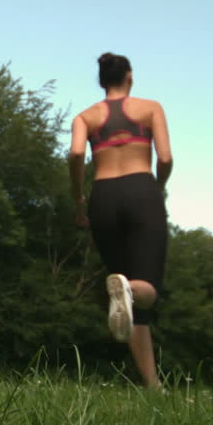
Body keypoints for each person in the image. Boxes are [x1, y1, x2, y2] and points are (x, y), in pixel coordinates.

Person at [68, 53, 172, 389]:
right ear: (129, 76)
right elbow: (166, 157)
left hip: (103, 196)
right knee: (148, 291)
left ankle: (152, 385)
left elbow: (74, 154)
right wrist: (158, 187)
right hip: (142, 189)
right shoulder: (150, 107)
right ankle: (127, 288)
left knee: (128, 304)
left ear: (101, 80)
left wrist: (78, 200)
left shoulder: (85, 117)